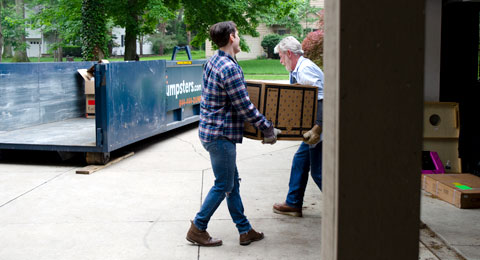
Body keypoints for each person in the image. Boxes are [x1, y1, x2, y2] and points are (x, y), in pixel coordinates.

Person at [186, 21, 280, 247]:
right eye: (237, 34)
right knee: (223, 185)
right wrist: (267, 127)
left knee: (231, 183)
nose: (239, 38)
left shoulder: (214, 61)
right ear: (231, 37)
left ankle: (245, 230)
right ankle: (198, 228)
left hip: (212, 131)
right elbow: (244, 106)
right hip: (220, 136)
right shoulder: (228, 68)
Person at [272, 36, 324, 217]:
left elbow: (322, 100)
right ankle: (293, 203)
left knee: (319, 173)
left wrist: (318, 127)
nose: (280, 61)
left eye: (280, 56)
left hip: (319, 131)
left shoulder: (305, 70)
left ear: (288, 53)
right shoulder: (297, 70)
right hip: (312, 130)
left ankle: (347, 206)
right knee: (300, 161)